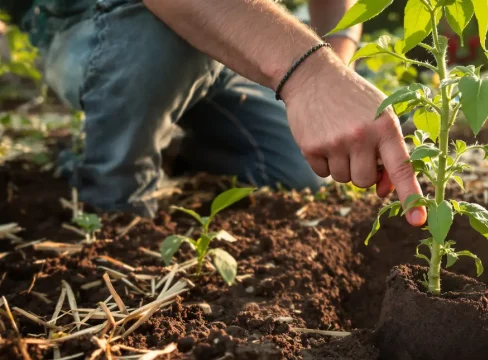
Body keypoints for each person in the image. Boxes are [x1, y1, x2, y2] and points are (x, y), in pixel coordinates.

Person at [1, 0, 426, 227]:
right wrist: (311, 76)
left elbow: (337, 9)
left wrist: (334, 83)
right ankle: (111, 201)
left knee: (300, 169)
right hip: (103, 27)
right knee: (161, 39)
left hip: (225, 37)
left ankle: (173, 138)